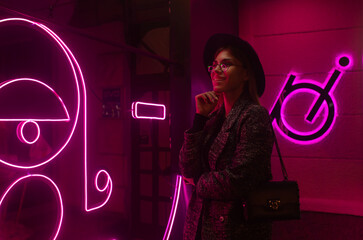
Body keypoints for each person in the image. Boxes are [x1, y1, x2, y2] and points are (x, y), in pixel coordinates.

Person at [179, 33, 274, 240]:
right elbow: (186, 167)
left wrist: (197, 181)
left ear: (246, 74)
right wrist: (199, 120)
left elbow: (240, 179)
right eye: (214, 65)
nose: (216, 71)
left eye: (226, 64)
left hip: (235, 230)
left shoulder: (253, 115)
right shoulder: (213, 118)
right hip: (200, 226)